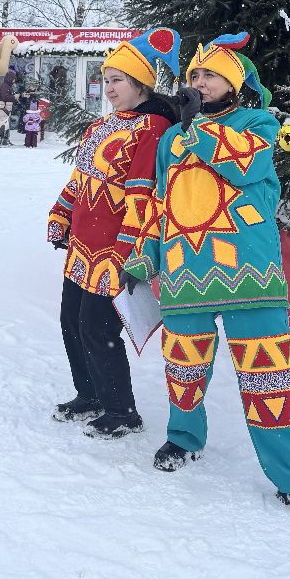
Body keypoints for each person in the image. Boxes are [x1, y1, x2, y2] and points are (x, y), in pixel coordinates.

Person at [122, 33, 290, 522]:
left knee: (269, 380)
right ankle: (183, 439)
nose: (199, 82)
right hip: (182, 276)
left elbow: (244, 163)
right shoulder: (172, 139)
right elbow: (159, 202)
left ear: (234, 83)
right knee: (183, 370)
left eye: (210, 75)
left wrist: (195, 126)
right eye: (193, 75)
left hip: (249, 276)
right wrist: (144, 256)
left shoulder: (259, 123)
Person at [47, 29, 182, 437]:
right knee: (71, 321)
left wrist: (129, 250)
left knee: (98, 327)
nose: (108, 88)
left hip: (114, 249)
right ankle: (89, 395)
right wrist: (61, 214)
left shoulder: (152, 127)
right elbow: (79, 180)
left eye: (117, 80)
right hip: (82, 245)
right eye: (105, 80)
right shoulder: (100, 126)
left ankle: (122, 411)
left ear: (141, 84)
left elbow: (143, 195)